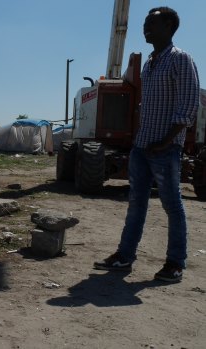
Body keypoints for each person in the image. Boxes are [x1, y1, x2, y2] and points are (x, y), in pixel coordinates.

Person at [94, 7, 200, 282]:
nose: (145, 28)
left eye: (151, 23)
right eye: (144, 23)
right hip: (142, 147)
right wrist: (140, 140)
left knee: (172, 206)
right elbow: (146, 106)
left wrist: (165, 142)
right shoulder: (151, 63)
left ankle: (175, 264)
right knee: (136, 203)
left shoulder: (181, 59)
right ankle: (124, 256)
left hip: (165, 149)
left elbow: (188, 108)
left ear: (168, 26)